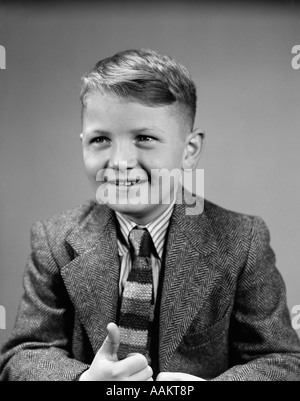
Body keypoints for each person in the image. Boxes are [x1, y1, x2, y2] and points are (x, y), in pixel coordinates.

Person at [0, 49, 299, 381]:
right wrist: (83, 380)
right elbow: (24, 355)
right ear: (83, 143)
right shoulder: (54, 239)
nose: (120, 161)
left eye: (144, 138)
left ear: (189, 151)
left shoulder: (242, 240)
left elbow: (281, 360)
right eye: (100, 140)